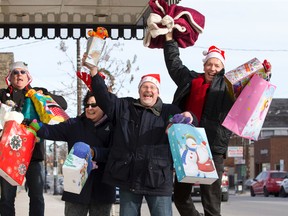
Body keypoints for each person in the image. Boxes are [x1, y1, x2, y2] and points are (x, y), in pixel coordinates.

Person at [163, 32, 271, 216]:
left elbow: (252, 89)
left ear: (222, 67)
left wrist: (264, 75)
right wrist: (169, 40)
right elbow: (174, 64)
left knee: (211, 203)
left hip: (213, 148)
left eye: (217, 65)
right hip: (187, 146)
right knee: (180, 197)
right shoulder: (190, 79)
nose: (212, 68)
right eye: (209, 64)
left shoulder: (230, 86)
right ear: (204, 65)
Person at [82, 53, 195, 216]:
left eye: (152, 88)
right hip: (129, 178)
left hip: (158, 179)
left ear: (157, 92)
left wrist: (190, 117)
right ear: (139, 90)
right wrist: (94, 72)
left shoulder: (169, 111)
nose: (148, 90)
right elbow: (103, 98)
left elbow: (190, 123)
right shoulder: (124, 106)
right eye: (144, 87)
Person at [29, 90, 115, 216]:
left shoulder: (114, 126)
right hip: (75, 191)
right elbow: (51, 131)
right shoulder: (74, 124)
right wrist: (35, 126)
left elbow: (116, 153)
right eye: (87, 105)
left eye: (94, 105)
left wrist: (94, 152)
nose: (89, 108)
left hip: (102, 190)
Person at [0, 61, 67, 216]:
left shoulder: (37, 93)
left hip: (33, 153)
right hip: (9, 155)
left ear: (28, 76)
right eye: (15, 72)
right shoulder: (3, 94)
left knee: (36, 196)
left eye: (22, 72)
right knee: (6, 198)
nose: (19, 75)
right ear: (9, 77)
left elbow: (63, 104)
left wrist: (45, 96)